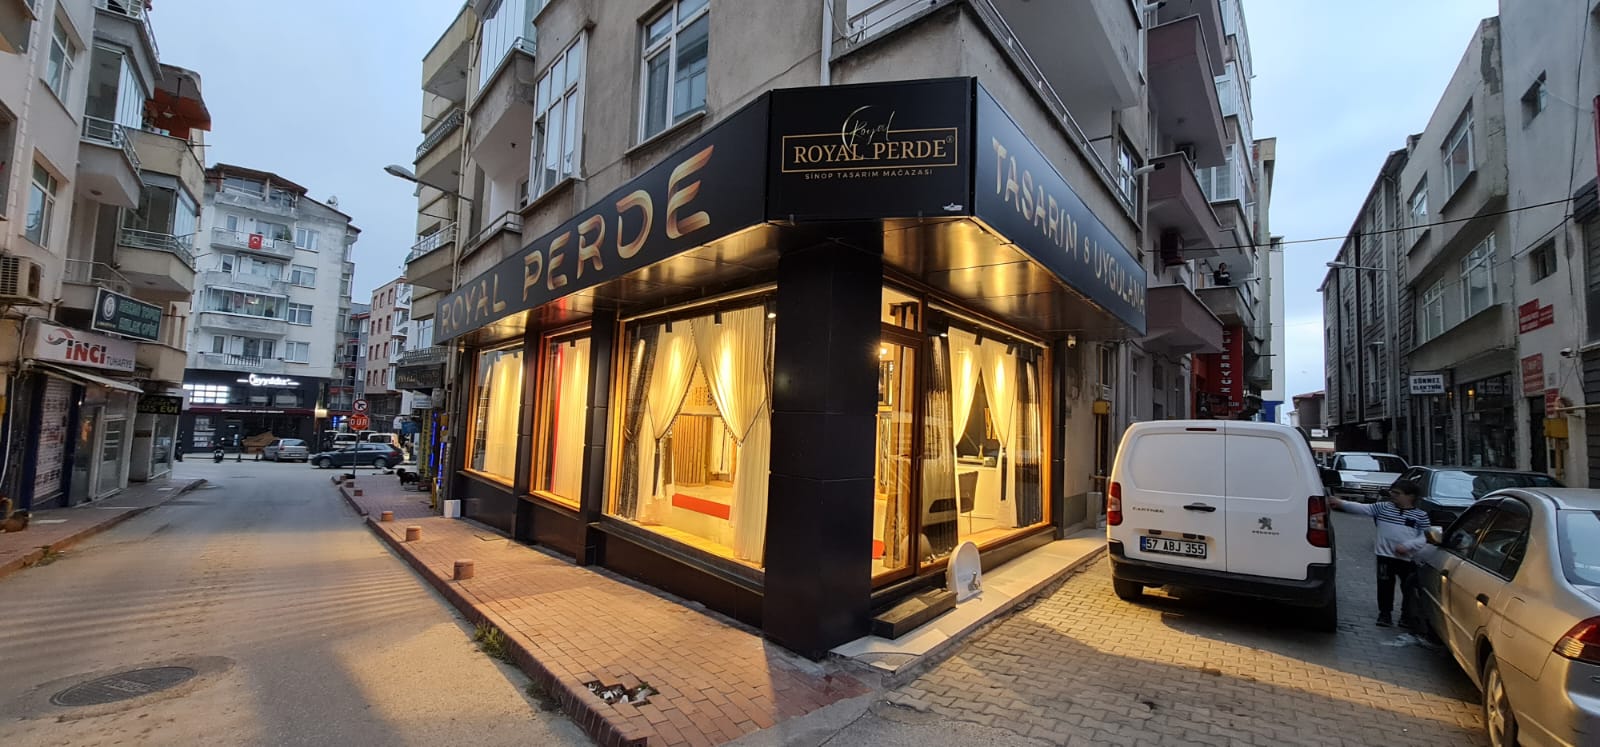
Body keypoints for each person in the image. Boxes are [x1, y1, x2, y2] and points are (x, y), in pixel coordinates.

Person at [1330, 479, 1431, 628]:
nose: (1393, 496)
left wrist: (1408, 546)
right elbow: (1363, 508)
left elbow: (1425, 536)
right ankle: (1385, 614)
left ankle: (1406, 615)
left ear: (1410, 496)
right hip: (1385, 556)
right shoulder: (1383, 507)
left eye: (1397, 493)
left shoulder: (1420, 515)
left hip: (1408, 559)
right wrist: (1341, 503)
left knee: (1408, 588)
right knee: (1384, 585)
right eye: (1392, 492)